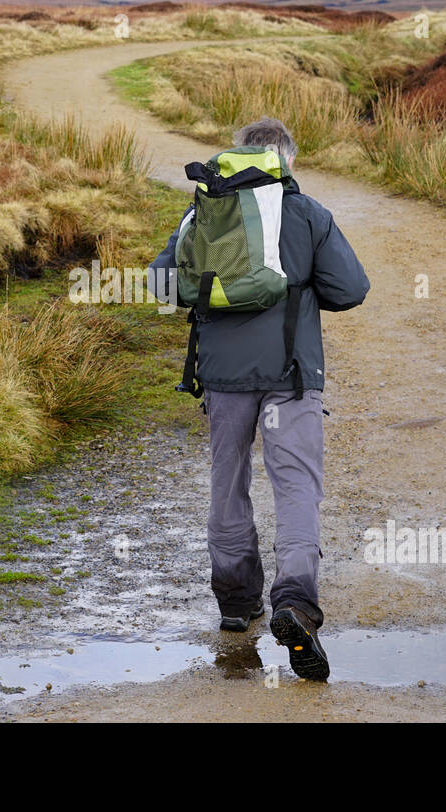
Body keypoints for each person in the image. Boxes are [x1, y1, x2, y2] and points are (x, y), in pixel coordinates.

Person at [148, 117, 369, 681]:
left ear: (235, 157)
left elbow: (161, 285)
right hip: (292, 378)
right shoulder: (309, 214)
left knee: (228, 483)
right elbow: (351, 290)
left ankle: (235, 603)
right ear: (287, 162)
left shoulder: (205, 211)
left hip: (222, 377)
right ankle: (294, 601)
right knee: (296, 487)